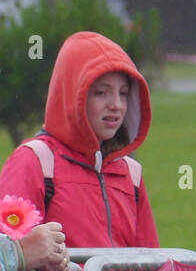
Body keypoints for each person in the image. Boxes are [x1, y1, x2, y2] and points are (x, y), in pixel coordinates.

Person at [0, 30, 158, 255]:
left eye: (123, 94)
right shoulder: (33, 161)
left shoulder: (131, 174)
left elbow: (153, 269)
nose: (116, 105)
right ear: (72, 96)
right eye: (101, 93)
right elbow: (7, 264)